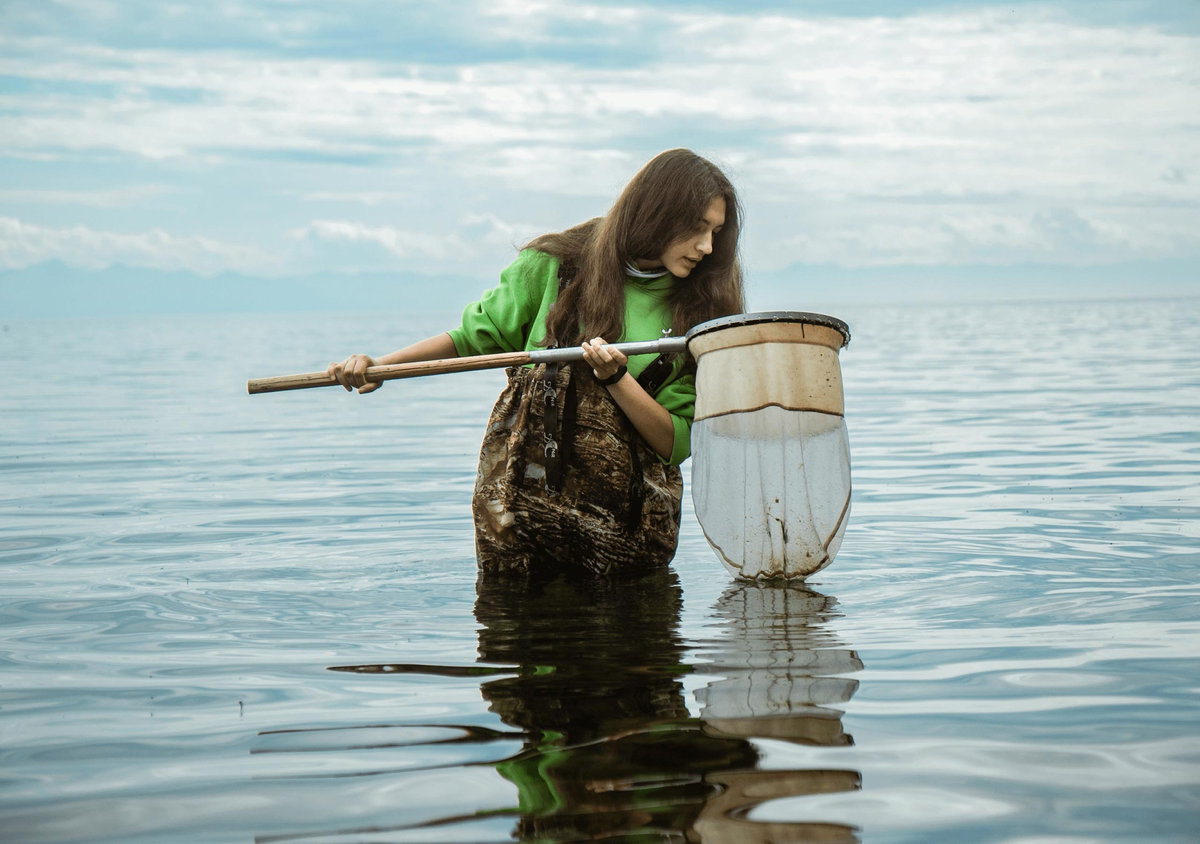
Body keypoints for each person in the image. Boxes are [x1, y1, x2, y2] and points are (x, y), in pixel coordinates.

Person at [328, 148, 745, 574]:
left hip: (627, 539)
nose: (707, 247)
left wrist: (617, 378)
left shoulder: (702, 313)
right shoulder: (555, 266)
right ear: (657, 212)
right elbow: (471, 338)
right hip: (516, 518)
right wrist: (383, 367)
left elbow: (675, 443)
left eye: (716, 231)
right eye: (697, 228)